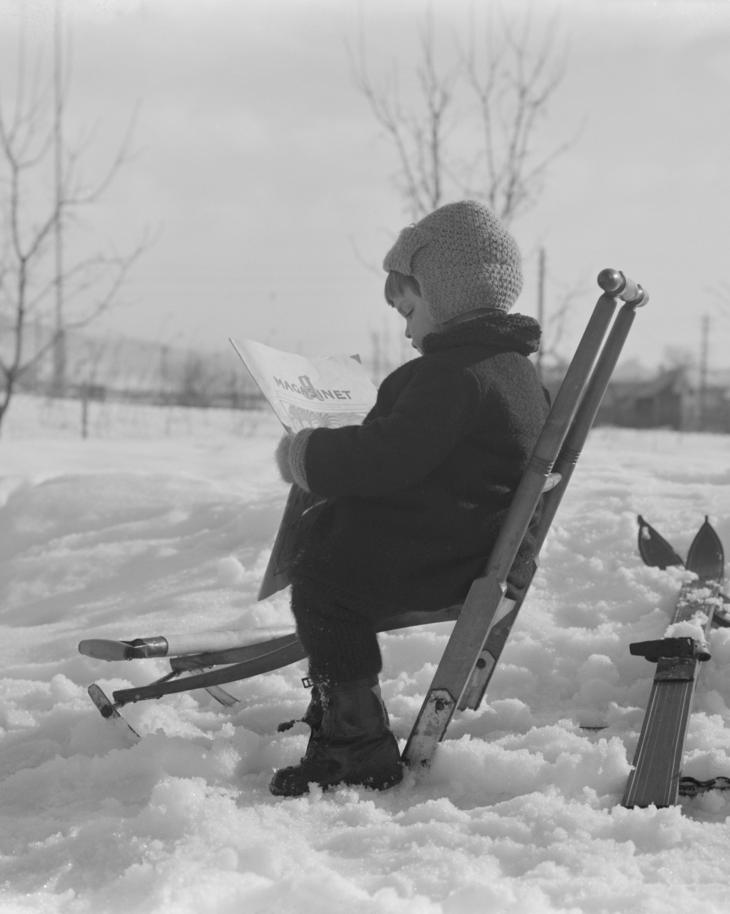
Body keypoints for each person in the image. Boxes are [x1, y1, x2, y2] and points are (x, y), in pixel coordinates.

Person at [270, 199, 549, 797]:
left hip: (449, 557)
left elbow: (386, 458)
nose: (406, 327)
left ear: (445, 294)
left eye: (410, 307)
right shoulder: (510, 369)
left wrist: (306, 454)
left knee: (324, 579)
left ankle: (355, 741)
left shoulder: (451, 376)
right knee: (333, 546)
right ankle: (341, 710)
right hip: (477, 543)